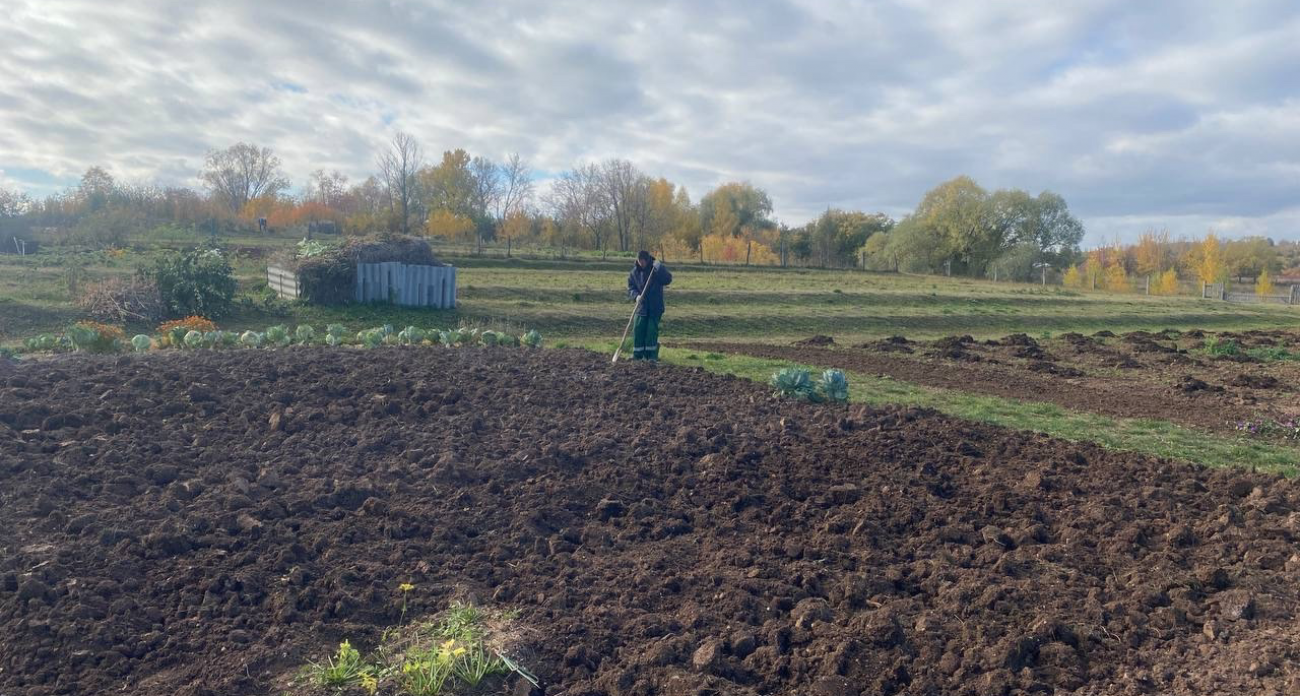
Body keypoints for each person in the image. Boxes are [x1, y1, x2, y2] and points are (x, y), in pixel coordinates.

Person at [626, 250, 672, 361]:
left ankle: (651, 356)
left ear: (647, 260)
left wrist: (660, 268)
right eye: (639, 261)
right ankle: (637, 355)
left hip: (655, 307)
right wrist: (636, 296)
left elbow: (668, 279)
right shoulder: (634, 272)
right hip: (641, 307)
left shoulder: (655, 270)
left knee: (651, 331)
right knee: (638, 329)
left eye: (643, 261)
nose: (641, 263)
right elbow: (631, 287)